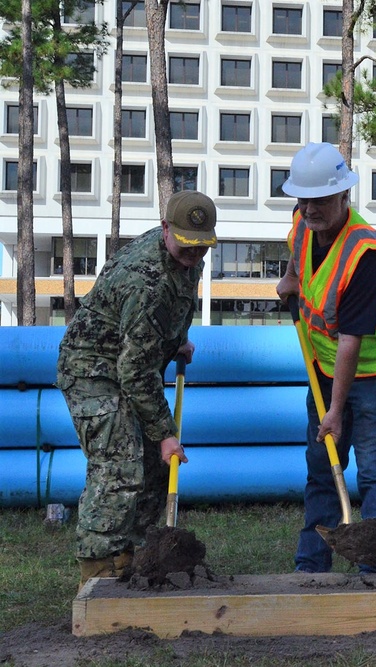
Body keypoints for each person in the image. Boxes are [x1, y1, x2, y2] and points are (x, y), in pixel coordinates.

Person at [57, 190, 217, 586]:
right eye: (186, 247)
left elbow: (178, 304)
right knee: (120, 463)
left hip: (130, 361)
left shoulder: (186, 253)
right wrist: (165, 433)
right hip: (92, 370)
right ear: (166, 229)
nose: (194, 255)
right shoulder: (144, 281)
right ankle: (98, 571)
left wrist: (176, 338)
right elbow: (135, 372)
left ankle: (138, 558)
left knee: (152, 466)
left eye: (201, 247)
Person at [276, 142, 376, 574]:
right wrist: (291, 280)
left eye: (320, 200)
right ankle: (311, 567)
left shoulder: (367, 255)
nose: (310, 208)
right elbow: (301, 262)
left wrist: (334, 411)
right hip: (323, 367)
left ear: (343, 196)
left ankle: (374, 569)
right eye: (304, 199)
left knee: (374, 473)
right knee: (321, 468)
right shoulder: (302, 223)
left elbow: (351, 340)